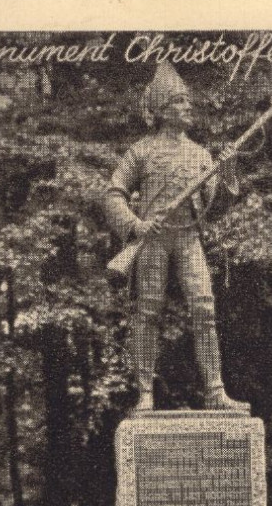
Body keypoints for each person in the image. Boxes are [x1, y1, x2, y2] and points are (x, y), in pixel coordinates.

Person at [104, 61, 247, 413]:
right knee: (148, 313)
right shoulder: (141, 151)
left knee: (204, 309)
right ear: (164, 111)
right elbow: (113, 194)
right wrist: (136, 226)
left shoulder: (200, 154)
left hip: (187, 240)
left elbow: (214, 210)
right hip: (151, 241)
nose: (188, 108)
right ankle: (145, 393)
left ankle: (215, 391)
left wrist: (227, 174)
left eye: (187, 102)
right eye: (180, 103)